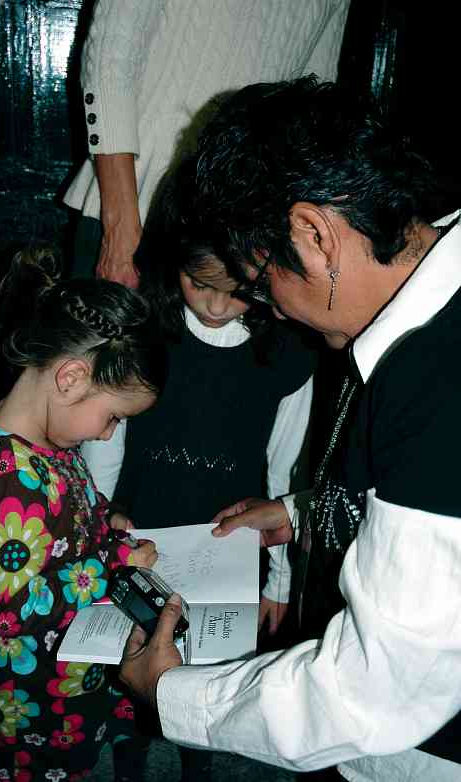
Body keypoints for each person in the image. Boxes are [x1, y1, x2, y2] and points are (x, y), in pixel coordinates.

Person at [117, 77, 461, 782]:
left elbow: (372, 694)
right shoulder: (431, 322)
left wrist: (171, 694)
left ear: (313, 234)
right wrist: (304, 512)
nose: (266, 306)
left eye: (259, 279)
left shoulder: (437, 381)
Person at [80, 160, 319, 780]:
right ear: (173, 263)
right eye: (198, 282)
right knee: (130, 669)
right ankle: (129, 757)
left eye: (237, 288)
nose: (215, 305)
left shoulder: (289, 351)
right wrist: (98, 514)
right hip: (142, 533)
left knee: (209, 686)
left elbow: (286, 466)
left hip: (230, 547)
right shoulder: (148, 329)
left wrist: (281, 581)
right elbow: (108, 439)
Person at [0, 247, 167, 780]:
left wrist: (106, 523)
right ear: (69, 378)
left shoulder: (49, 447)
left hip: (60, 676)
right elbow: (13, 611)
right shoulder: (7, 480)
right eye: (112, 416)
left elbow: (71, 517)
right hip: (24, 710)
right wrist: (113, 565)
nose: (109, 433)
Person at [63, 0, 351, 284]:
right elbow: (109, 60)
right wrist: (120, 227)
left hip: (245, 240)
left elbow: (312, 105)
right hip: (135, 214)